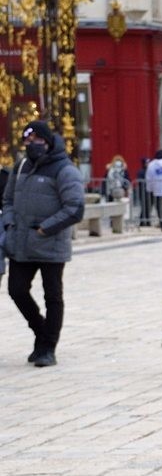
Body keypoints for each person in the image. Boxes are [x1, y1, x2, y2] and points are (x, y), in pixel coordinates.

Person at [1, 120, 84, 366]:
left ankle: (48, 347)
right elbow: (7, 200)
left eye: (35, 140)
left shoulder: (64, 169)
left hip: (51, 244)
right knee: (16, 290)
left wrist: (45, 228)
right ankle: (40, 331)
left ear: (46, 141)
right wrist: (9, 224)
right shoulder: (21, 167)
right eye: (27, 141)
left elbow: (75, 208)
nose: (30, 145)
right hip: (21, 243)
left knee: (53, 296)